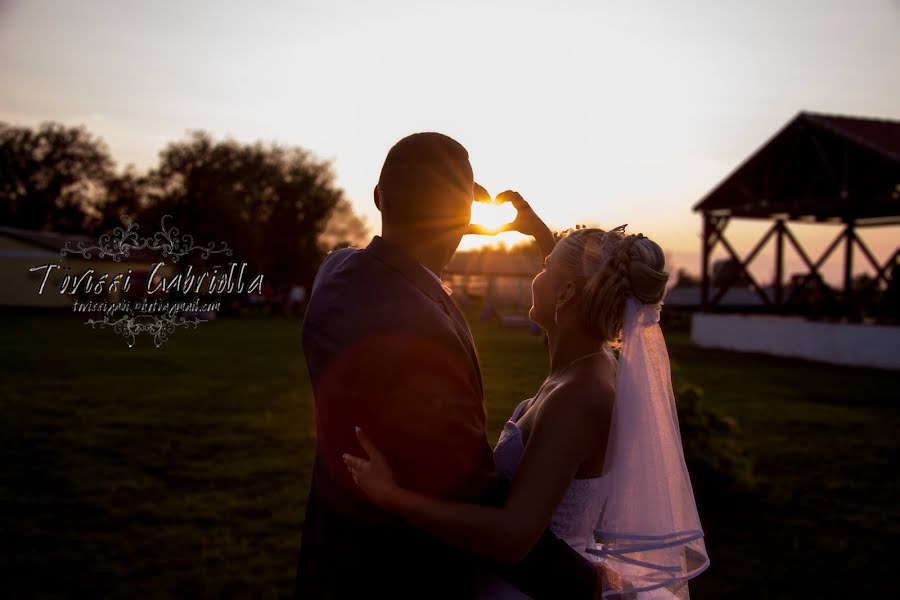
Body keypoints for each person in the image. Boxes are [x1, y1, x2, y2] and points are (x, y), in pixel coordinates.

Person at [294, 133, 603, 599]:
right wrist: (586, 585)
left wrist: (455, 221)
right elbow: (471, 496)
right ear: (466, 212)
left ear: (378, 198)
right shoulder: (425, 332)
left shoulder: (333, 274)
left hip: (330, 558)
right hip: (410, 576)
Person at [344, 207, 710, 598]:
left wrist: (392, 496)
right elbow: (577, 281)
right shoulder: (591, 362)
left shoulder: (575, 397)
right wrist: (540, 234)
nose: (538, 273)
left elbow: (513, 537)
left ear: (567, 292)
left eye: (545, 266)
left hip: (530, 587)